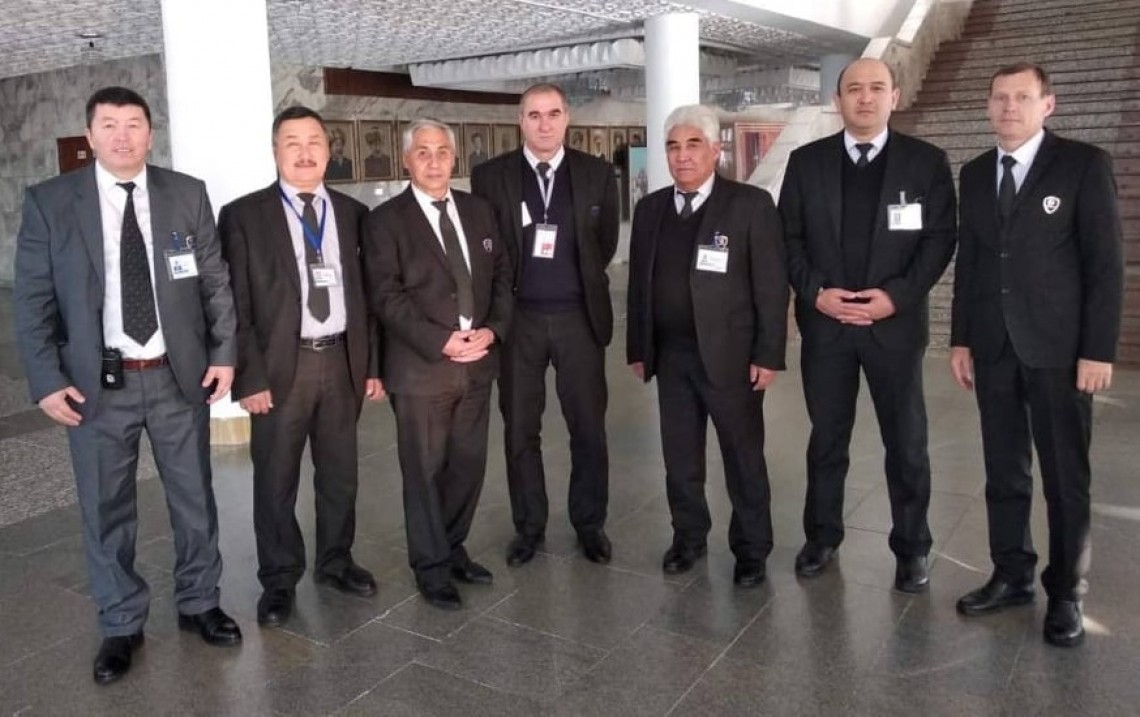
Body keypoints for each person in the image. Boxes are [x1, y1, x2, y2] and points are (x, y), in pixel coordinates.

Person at [13, 86, 241, 685]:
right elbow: (32, 300)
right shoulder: (50, 202)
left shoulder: (185, 194)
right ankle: (120, 622)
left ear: (149, 132)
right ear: (89, 136)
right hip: (96, 386)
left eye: (133, 123)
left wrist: (224, 355)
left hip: (176, 377)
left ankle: (200, 602)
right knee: (105, 506)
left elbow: (214, 282)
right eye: (109, 124)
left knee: (194, 499)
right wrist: (46, 380)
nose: (122, 135)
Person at [950, 62, 1124, 647]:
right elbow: (972, 262)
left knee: (1064, 476)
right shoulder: (976, 173)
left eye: (1022, 97)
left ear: (1047, 105)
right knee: (1004, 469)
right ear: (988, 105)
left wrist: (1097, 350)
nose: (1009, 107)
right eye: (999, 97)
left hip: (1060, 349)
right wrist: (962, 337)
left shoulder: (1083, 165)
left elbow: (1106, 265)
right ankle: (1012, 574)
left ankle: (1067, 592)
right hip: (995, 346)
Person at [779, 58, 957, 593]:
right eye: (853, 88)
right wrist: (816, 293)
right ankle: (822, 536)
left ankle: (912, 547)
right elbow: (787, 238)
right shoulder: (807, 162)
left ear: (894, 96)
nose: (865, 97)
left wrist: (895, 298)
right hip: (827, 326)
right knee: (827, 439)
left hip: (892, 328)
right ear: (838, 100)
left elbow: (940, 240)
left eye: (877, 87)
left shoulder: (926, 162)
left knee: (906, 442)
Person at [218, 106, 385, 628]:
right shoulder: (244, 216)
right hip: (278, 369)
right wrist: (249, 377)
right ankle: (279, 578)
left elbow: (370, 298)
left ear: (329, 151)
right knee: (275, 480)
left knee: (340, 475)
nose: (305, 152)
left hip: (341, 360)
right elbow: (235, 305)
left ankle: (336, 561)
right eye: (292, 142)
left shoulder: (355, 214)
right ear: (275, 151)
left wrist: (372, 365)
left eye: (314, 141)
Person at [626, 104, 788, 586]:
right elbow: (639, 285)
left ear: (716, 150)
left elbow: (772, 286)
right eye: (673, 146)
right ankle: (688, 537)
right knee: (680, 458)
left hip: (731, 359)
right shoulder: (650, 209)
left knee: (743, 457)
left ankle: (752, 548)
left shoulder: (750, 205)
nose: (682, 156)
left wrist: (768, 354)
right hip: (672, 356)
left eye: (693, 144)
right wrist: (638, 347)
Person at [364, 119, 513, 610]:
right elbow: (386, 296)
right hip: (422, 367)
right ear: (407, 160)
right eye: (423, 152)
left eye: (442, 151)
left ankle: (452, 547)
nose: (434, 161)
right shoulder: (385, 221)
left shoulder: (479, 211)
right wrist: (442, 341)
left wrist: (493, 330)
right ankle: (430, 566)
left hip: (478, 361)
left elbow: (502, 275)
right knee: (424, 470)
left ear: (455, 158)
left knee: (467, 464)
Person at [470, 83, 619, 567]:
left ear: (566, 118)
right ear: (520, 121)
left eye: (553, 113)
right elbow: (488, 250)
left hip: (579, 318)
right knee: (520, 430)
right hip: (519, 322)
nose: (544, 124)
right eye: (534, 115)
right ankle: (529, 526)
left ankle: (589, 524)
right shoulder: (490, 177)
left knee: (588, 428)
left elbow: (604, 243)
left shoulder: (597, 174)